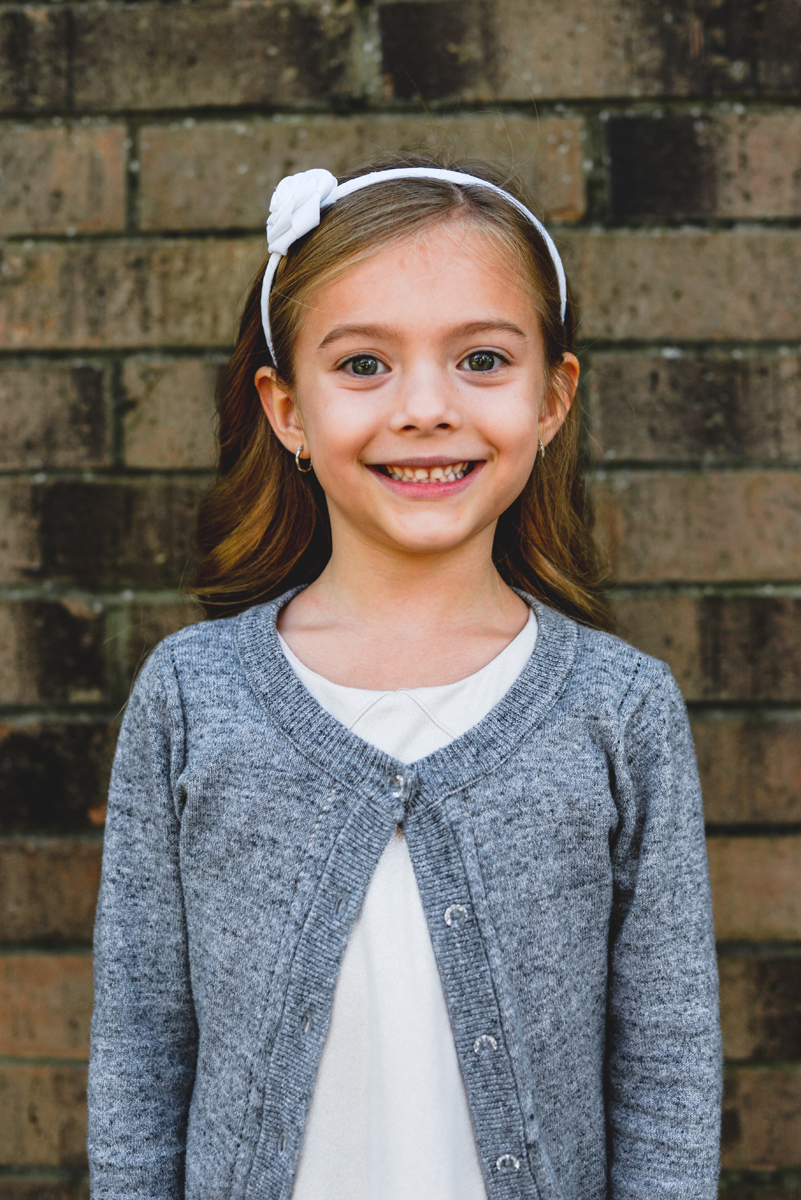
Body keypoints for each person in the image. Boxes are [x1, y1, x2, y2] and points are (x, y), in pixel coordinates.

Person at [87, 154, 722, 1200]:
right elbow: (141, 1054)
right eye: (365, 365)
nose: (426, 407)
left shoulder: (620, 710)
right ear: (287, 409)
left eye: (481, 359)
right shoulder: (193, 699)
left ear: (554, 397)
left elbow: (667, 1070)